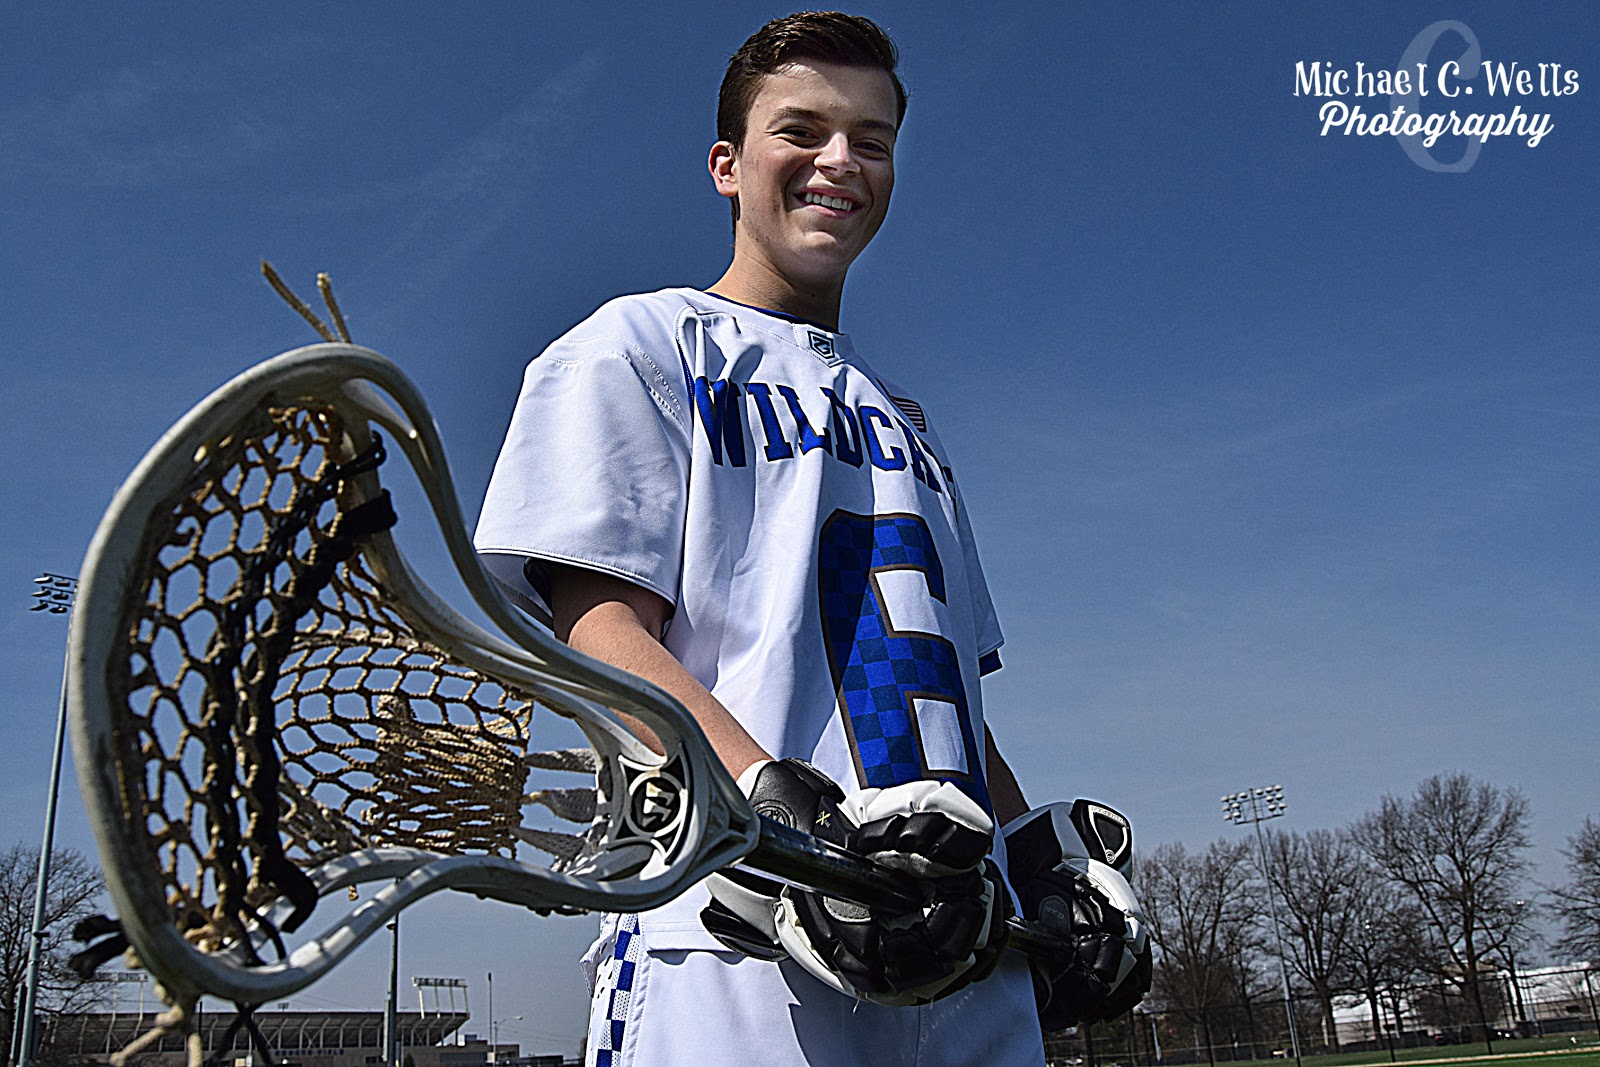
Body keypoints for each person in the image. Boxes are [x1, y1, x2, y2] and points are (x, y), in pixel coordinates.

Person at [475, 12, 1047, 1065]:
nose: (840, 160)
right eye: (804, 129)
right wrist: (781, 822)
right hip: (740, 927)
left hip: (957, 936)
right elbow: (602, 631)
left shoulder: (909, 424)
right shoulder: (641, 343)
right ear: (727, 165)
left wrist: (1034, 860)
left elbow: (953, 700)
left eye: (870, 140)